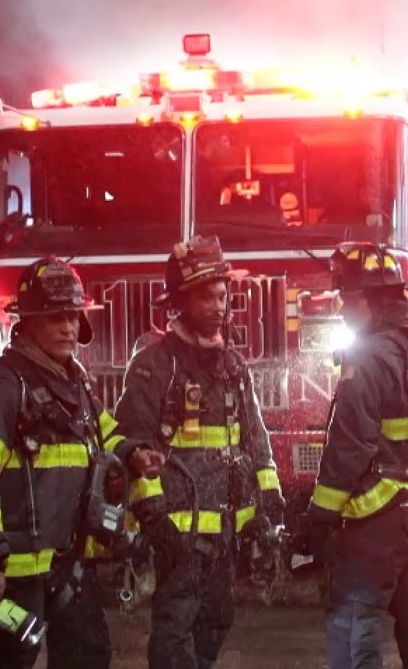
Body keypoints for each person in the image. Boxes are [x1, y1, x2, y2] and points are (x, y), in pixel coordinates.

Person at [105, 235, 285, 669]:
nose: (219, 306)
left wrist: (269, 499)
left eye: (222, 296)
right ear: (180, 302)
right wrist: (153, 517)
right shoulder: (155, 364)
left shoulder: (234, 366)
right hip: (177, 528)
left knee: (217, 619)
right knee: (175, 624)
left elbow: (254, 438)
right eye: (206, 296)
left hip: (224, 527)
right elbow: (128, 440)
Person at [0, 257, 113, 669]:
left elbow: (106, 435)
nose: (68, 327)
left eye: (73, 316)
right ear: (28, 321)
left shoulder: (76, 382)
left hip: (67, 566)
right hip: (11, 574)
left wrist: (135, 453)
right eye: (56, 317)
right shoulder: (3, 385)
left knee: (88, 657)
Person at [305, 241, 408, 669]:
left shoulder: (366, 358)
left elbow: (349, 446)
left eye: (346, 299)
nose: (341, 310)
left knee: (353, 619)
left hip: (382, 517)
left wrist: (320, 518)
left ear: (368, 303)